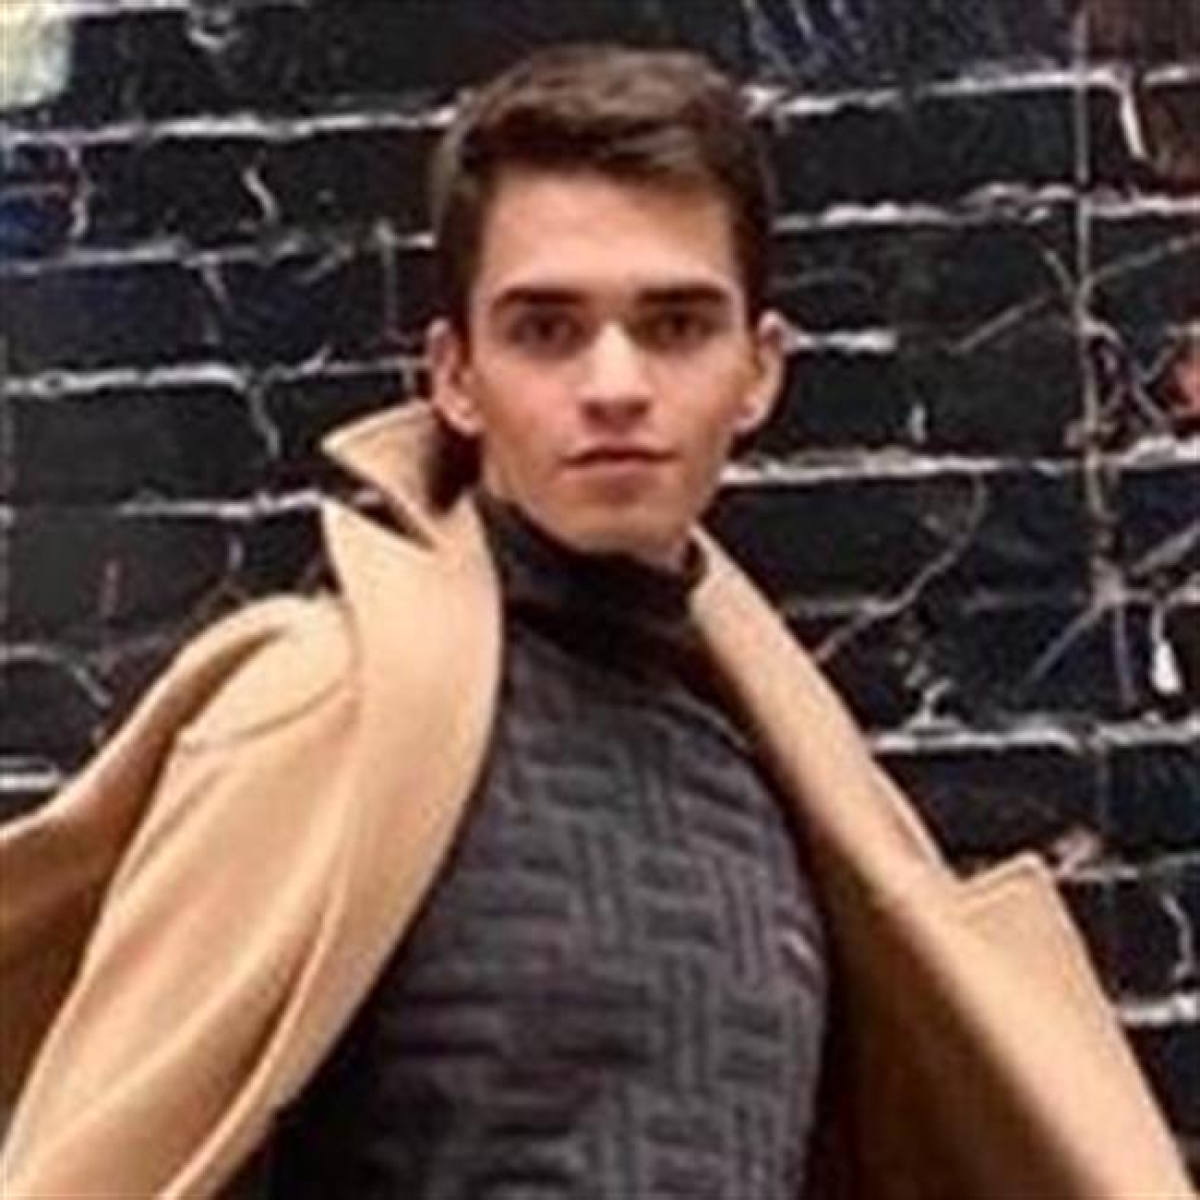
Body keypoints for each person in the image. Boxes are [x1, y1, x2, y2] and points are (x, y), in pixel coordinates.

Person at [0, 43, 1191, 1200]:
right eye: (546, 329)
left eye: (675, 325)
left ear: (760, 370)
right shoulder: (322, 714)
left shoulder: (788, 786)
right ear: (454, 376)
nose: (614, 386)